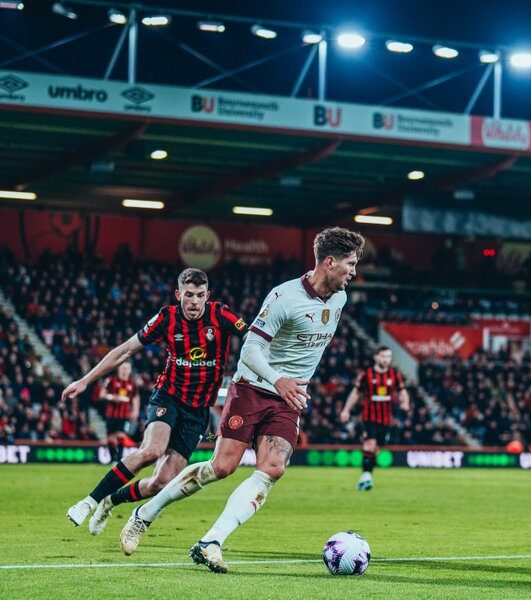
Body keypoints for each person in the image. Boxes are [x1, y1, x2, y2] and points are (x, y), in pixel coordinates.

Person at [118, 227, 364, 573]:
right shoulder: (284, 297)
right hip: (253, 388)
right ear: (329, 262)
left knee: (273, 468)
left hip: (287, 397)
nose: (354, 271)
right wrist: (278, 380)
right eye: (350, 264)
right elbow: (249, 349)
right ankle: (144, 513)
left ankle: (211, 541)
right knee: (221, 468)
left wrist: (291, 385)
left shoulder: (339, 299)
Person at [63, 268, 247, 535]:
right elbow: (125, 350)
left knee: (162, 483)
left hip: (198, 411)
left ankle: (110, 501)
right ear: (178, 295)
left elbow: (255, 338)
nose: (194, 302)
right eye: (188, 295)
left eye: (199, 295)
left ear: (207, 295)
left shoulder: (222, 315)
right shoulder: (166, 318)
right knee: (151, 450)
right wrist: (85, 380)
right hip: (168, 396)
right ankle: (88, 501)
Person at [340, 346, 409, 490]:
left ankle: (367, 476)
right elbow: (355, 393)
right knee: (369, 444)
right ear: (376, 357)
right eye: (383, 356)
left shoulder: (394, 375)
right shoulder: (367, 375)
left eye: (389, 357)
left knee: (377, 448)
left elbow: (403, 392)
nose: (386, 359)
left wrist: (405, 403)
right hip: (369, 416)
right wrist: (346, 410)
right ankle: (366, 476)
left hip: (386, 418)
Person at [99, 361, 140, 463]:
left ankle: (119, 459)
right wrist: (112, 397)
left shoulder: (132, 385)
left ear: (130, 371)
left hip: (124, 415)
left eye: (127, 368)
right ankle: (113, 459)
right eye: (123, 368)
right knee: (110, 438)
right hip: (111, 414)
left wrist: (135, 411)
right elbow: (102, 394)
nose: (125, 370)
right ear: (118, 369)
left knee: (121, 435)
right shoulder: (111, 380)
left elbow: (135, 398)